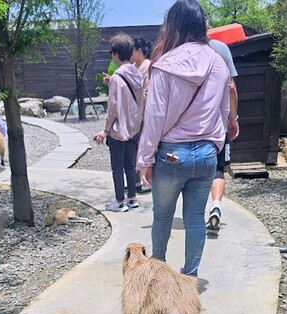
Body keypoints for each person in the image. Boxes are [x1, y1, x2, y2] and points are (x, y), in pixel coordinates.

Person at [136, 0, 230, 278]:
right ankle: (189, 277)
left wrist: (145, 159)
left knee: (163, 216)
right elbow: (223, 111)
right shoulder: (218, 62)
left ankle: (159, 274)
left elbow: (154, 119)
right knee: (194, 219)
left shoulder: (164, 65)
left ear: (173, 25)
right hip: (206, 155)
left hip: (171, 155)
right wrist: (215, 145)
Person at [93, 34, 144, 213]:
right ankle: (132, 198)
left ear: (115, 54)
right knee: (130, 164)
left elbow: (113, 108)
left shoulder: (117, 77)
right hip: (133, 127)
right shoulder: (136, 74)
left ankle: (119, 202)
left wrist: (105, 131)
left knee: (117, 166)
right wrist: (111, 82)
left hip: (119, 129)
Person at [205, 36, 240, 235]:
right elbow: (231, 87)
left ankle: (193, 213)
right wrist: (233, 118)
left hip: (193, 128)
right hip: (219, 127)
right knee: (218, 170)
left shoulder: (180, 48)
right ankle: (215, 206)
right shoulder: (221, 48)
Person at [132, 37, 153, 194]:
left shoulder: (147, 66)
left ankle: (145, 182)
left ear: (139, 51)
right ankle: (136, 182)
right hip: (134, 114)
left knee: (143, 147)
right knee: (134, 148)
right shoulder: (134, 66)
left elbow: (146, 92)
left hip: (143, 114)